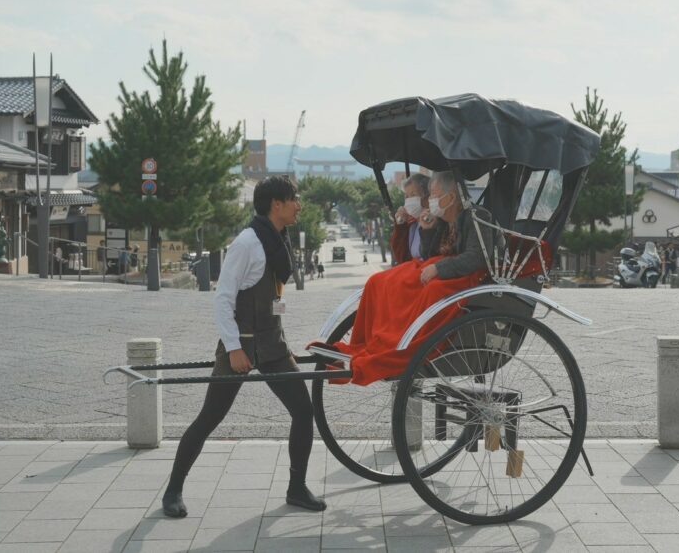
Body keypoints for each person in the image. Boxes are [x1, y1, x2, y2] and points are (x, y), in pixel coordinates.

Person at [163, 176, 324, 518]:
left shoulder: (278, 238)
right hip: (243, 344)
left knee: (303, 411)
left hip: (273, 344)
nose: (299, 205)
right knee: (210, 417)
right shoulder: (247, 242)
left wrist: (283, 342)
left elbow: (273, 298)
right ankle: (173, 489)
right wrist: (234, 348)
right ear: (276, 205)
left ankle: (296, 488)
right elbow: (223, 298)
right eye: (294, 199)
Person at [330, 171, 495, 385]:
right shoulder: (443, 220)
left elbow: (477, 256)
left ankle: (405, 344)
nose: (430, 200)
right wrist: (427, 231)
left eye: (433, 195)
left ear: (451, 197)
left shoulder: (477, 217)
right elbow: (429, 254)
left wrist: (439, 268)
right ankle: (377, 340)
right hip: (444, 270)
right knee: (379, 281)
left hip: (468, 276)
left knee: (431, 289)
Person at [390, 173, 446, 265]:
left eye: (413, 195)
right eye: (406, 196)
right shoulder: (412, 223)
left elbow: (431, 255)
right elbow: (401, 257)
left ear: (427, 196)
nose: (409, 200)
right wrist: (401, 226)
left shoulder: (436, 221)